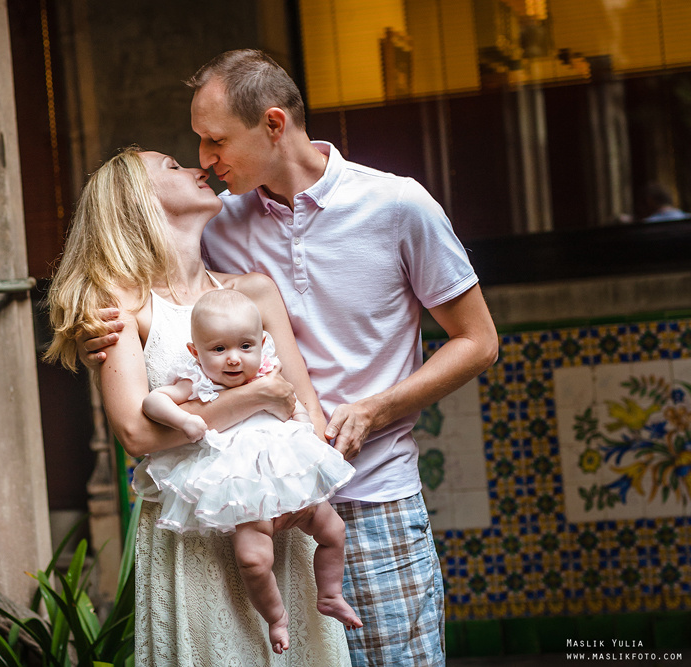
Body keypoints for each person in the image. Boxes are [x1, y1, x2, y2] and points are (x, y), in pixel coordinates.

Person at [82, 50, 500, 666]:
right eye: (196, 144)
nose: (204, 160)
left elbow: (479, 341)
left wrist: (376, 409)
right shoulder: (217, 221)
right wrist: (98, 335)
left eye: (215, 140)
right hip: (256, 516)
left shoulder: (399, 207)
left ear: (274, 125)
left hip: (374, 493)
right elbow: (150, 270)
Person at [45, 146, 351, 666]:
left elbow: (307, 412)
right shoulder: (121, 306)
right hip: (194, 537)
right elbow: (137, 436)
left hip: (282, 518)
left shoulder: (253, 292)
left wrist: (296, 494)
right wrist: (252, 396)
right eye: (172, 166)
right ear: (136, 201)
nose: (196, 168)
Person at [137, 288, 360, 654]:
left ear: (262, 343)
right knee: (254, 559)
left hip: (287, 477)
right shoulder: (198, 382)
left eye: (245, 346)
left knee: (334, 530)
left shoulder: (270, 372)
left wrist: (304, 434)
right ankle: (276, 618)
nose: (234, 360)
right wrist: (184, 420)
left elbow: (297, 411)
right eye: (219, 349)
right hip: (241, 488)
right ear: (196, 352)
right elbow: (152, 401)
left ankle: (331, 593)